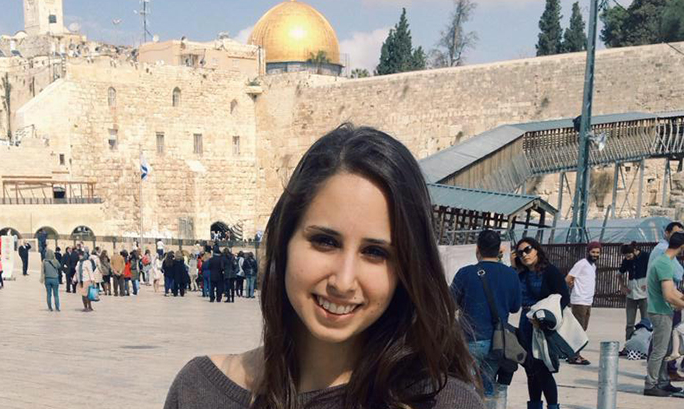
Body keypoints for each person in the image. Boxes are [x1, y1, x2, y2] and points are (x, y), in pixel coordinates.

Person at [164, 125, 482, 409]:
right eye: (325, 242)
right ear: (284, 240)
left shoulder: (441, 402)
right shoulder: (198, 391)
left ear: (406, 270)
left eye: (375, 252)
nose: (343, 282)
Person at [450, 230, 521, 399]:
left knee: (466, 387)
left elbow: (450, 304)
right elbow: (515, 307)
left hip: (470, 338)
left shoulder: (465, 273)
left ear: (478, 249)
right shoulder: (511, 274)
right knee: (487, 387)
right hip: (498, 341)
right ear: (499, 250)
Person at [512, 237, 570, 409]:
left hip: (542, 326)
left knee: (543, 369)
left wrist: (545, 317)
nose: (524, 255)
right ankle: (535, 405)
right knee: (530, 370)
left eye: (528, 249)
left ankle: (553, 406)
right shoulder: (520, 274)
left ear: (537, 249)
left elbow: (564, 297)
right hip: (525, 324)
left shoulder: (549, 271)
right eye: (520, 252)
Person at [644, 232, 684, 397]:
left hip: (662, 310)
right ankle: (651, 384)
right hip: (660, 312)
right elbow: (668, 294)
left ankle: (663, 381)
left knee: (665, 349)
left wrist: (681, 298)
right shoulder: (664, 264)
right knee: (659, 351)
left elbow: (673, 291)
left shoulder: (663, 261)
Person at [564, 241, 600, 366]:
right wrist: (573, 287)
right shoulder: (581, 264)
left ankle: (573, 352)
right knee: (578, 330)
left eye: (597, 252)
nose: (595, 254)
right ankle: (573, 355)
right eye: (593, 252)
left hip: (588, 301)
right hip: (579, 300)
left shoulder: (592, 266)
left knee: (583, 329)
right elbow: (568, 278)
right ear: (588, 252)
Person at [619, 242, 650, 344]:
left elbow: (653, 270)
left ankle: (645, 344)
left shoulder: (646, 256)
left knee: (646, 321)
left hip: (644, 294)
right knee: (629, 323)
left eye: (629, 256)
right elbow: (619, 273)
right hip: (631, 294)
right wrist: (623, 286)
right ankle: (628, 344)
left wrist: (649, 283)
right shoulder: (627, 260)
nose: (628, 258)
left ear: (635, 251)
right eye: (626, 256)